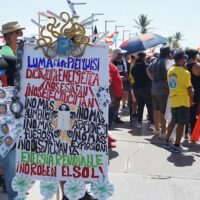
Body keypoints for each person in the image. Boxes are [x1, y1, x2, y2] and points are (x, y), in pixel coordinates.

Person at [0, 21, 25, 200]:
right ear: (11, 36)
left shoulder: (13, 54)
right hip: (6, 118)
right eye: (18, 33)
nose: (21, 37)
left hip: (11, 116)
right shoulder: (5, 56)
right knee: (9, 155)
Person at [164, 51, 194, 153]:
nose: (185, 60)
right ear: (181, 60)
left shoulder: (170, 70)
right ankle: (177, 145)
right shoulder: (186, 73)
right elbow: (190, 90)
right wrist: (191, 100)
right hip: (182, 100)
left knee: (173, 121)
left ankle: (167, 141)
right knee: (181, 124)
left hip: (173, 99)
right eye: (184, 59)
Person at [146, 46, 171, 138]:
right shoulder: (167, 62)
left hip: (154, 88)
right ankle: (163, 132)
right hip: (163, 89)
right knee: (163, 112)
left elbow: (147, 69)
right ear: (168, 53)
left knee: (156, 110)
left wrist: (152, 78)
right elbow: (170, 74)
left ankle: (157, 129)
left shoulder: (155, 61)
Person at [131, 52, 153, 129]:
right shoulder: (147, 66)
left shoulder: (134, 67)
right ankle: (152, 123)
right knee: (149, 106)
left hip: (136, 88)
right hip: (147, 88)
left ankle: (139, 122)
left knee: (140, 106)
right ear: (144, 57)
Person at [185, 49, 200, 138]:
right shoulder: (198, 66)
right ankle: (193, 134)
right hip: (197, 93)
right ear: (195, 56)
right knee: (193, 114)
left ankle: (185, 133)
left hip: (187, 92)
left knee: (187, 113)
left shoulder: (184, 66)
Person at [111, 48, 127, 123]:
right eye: (120, 54)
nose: (121, 55)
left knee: (118, 101)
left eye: (121, 54)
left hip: (120, 84)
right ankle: (112, 116)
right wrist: (120, 77)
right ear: (116, 54)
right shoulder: (111, 62)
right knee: (114, 102)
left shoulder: (121, 62)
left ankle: (115, 116)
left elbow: (121, 72)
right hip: (113, 86)